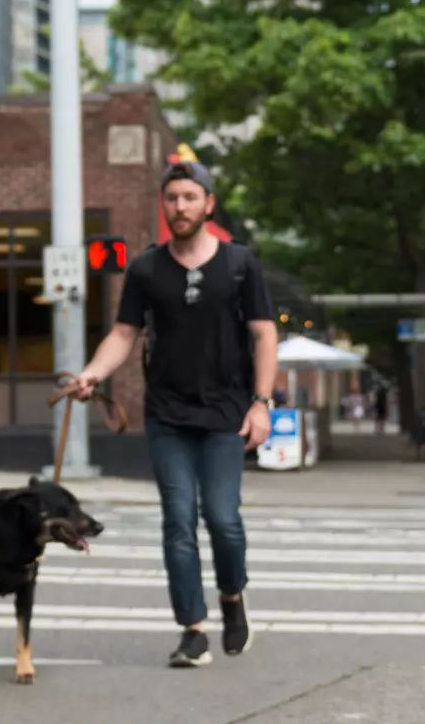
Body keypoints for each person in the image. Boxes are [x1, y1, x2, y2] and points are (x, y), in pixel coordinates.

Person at [73, 159, 278, 668]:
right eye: (172, 199)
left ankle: (232, 596)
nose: (180, 206)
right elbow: (125, 334)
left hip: (227, 413)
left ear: (208, 204)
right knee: (178, 520)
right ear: (164, 207)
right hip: (167, 415)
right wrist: (93, 373)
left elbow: (264, 333)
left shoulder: (239, 264)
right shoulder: (146, 268)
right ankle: (192, 628)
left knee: (223, 519)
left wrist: (262, 402)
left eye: (190, 197)